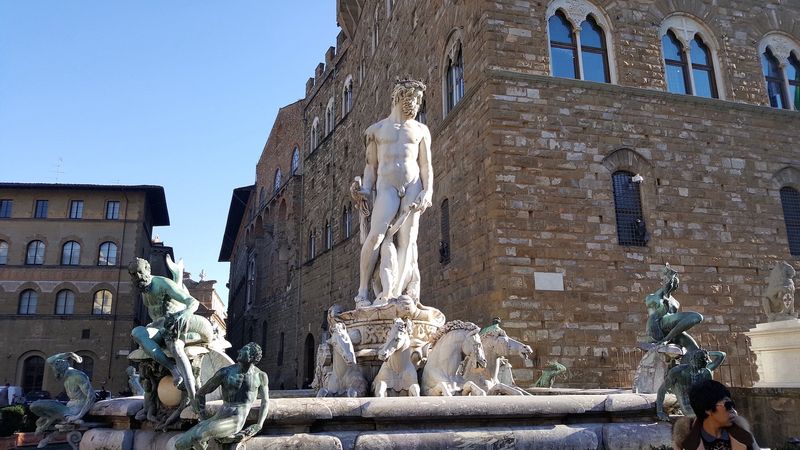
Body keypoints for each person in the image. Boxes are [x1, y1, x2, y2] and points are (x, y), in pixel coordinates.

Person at [352, 78, 433, 308]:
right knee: (376, 235)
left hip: (413, 186)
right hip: (386, 187)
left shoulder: (421, 130)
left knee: (408, 240)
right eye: (414, 99)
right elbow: (370, 167)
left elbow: (426, 166)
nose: (417, 105)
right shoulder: (375, 131)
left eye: (419, 100)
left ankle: (394, 294)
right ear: (399, 97)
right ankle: (362, 292)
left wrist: (428, 191)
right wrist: (365, 190)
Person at [128, 257, 217, 403]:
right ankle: (173, 369)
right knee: (137, 332)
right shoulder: (143, 290)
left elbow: (192, 302)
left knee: (175, 346)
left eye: (139, 272)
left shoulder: (162, 283)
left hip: (177, 325)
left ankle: (194, 399)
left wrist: (183, 315)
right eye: (133, 274)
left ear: (148, 270)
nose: (137, 277)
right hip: (160, 327)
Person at [174, 343, 269, 450]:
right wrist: (203, 417)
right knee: (179, 445)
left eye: (244, 349)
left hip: (236, 419)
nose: (239, 351)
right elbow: (200, 393)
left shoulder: (260, 376)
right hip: (218, 417)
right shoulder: (225, 372)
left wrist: (259, 424)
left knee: (199, 436)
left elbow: (265, 402)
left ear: (252, 357)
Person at [30, 353, 95, 446]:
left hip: (76, 409)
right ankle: (48, 421)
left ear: (63, 370)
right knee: (34, 406)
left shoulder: (78, 376)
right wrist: (70, 354)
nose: (57, 376)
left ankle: (47, 425)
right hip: (69, 406)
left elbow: (91, 397)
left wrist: (78, 416)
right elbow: (50, 360)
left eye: (58, 374)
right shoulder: (65, 374)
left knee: (39, 406)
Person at [672, 379, 759, 450]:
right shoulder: (685, 440)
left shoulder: (744, 436)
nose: (734, 411)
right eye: (728, 406)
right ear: (708, 409)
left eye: (733, 405)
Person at [657, 348, 726, 421]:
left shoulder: (706, 373)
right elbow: (662, 390)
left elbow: (708, 395)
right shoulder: (678, 372)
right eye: (705, 359)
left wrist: (705, 352)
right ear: (697, 361)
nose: (708, 361)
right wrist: (660, 412)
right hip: (686, 406)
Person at [645, 266, 702, 351]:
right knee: (696, 317)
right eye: (670, 282)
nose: (672, 285)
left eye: (674, 283)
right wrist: (664, 294)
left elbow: (677, 322)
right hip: (658, 325)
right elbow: (654, 315)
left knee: (695, 349)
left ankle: (694, 360)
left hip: (670, 331)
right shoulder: (652, 297)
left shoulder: (676, 303)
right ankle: (666, 339)